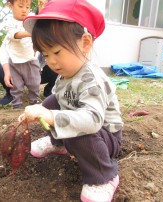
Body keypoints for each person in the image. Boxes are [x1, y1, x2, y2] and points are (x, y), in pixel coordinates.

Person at [19, 0, 124, 201]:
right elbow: (58, 100)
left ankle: (104, 176)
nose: (51, 61)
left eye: (57, 52)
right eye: (46, 54)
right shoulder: (66, 73)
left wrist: (50, 116)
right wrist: (41, 109)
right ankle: (58, 143)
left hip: (104, 136)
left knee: (78, 129)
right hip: (85, 127)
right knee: (50, 102)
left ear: (85, 42)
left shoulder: (91, 79)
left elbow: (92, 120)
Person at [0, 0, 41, 109]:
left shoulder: (31, 18)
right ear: (10, 6)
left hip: (31, 60)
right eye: (20, 6)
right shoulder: (9, 22)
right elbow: (15, 35)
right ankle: (17, 105)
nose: (24, 10)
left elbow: (41, 17)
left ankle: (34, 102)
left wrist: (42, 6)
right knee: (16, 86)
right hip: (15, 61)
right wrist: (30, 33)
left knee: (35, 83)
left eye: (27, 7)